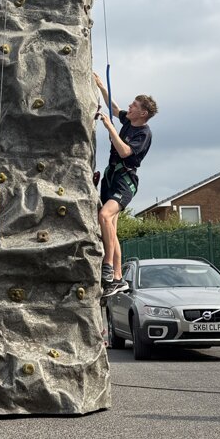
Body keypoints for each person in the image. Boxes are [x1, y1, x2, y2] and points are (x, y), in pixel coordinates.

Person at [94, 72, 157, 297]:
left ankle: (108, 266)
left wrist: (109, 127)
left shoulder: (143, 133)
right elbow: (113, 108)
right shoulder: (129, 121)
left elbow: (124, 151)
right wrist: (101, 86)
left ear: (143, 113)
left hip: (125, 181)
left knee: (104, 215)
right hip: (111, 177)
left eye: (134, 105)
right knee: (111, 227)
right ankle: (118, 278)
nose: (129, 107)